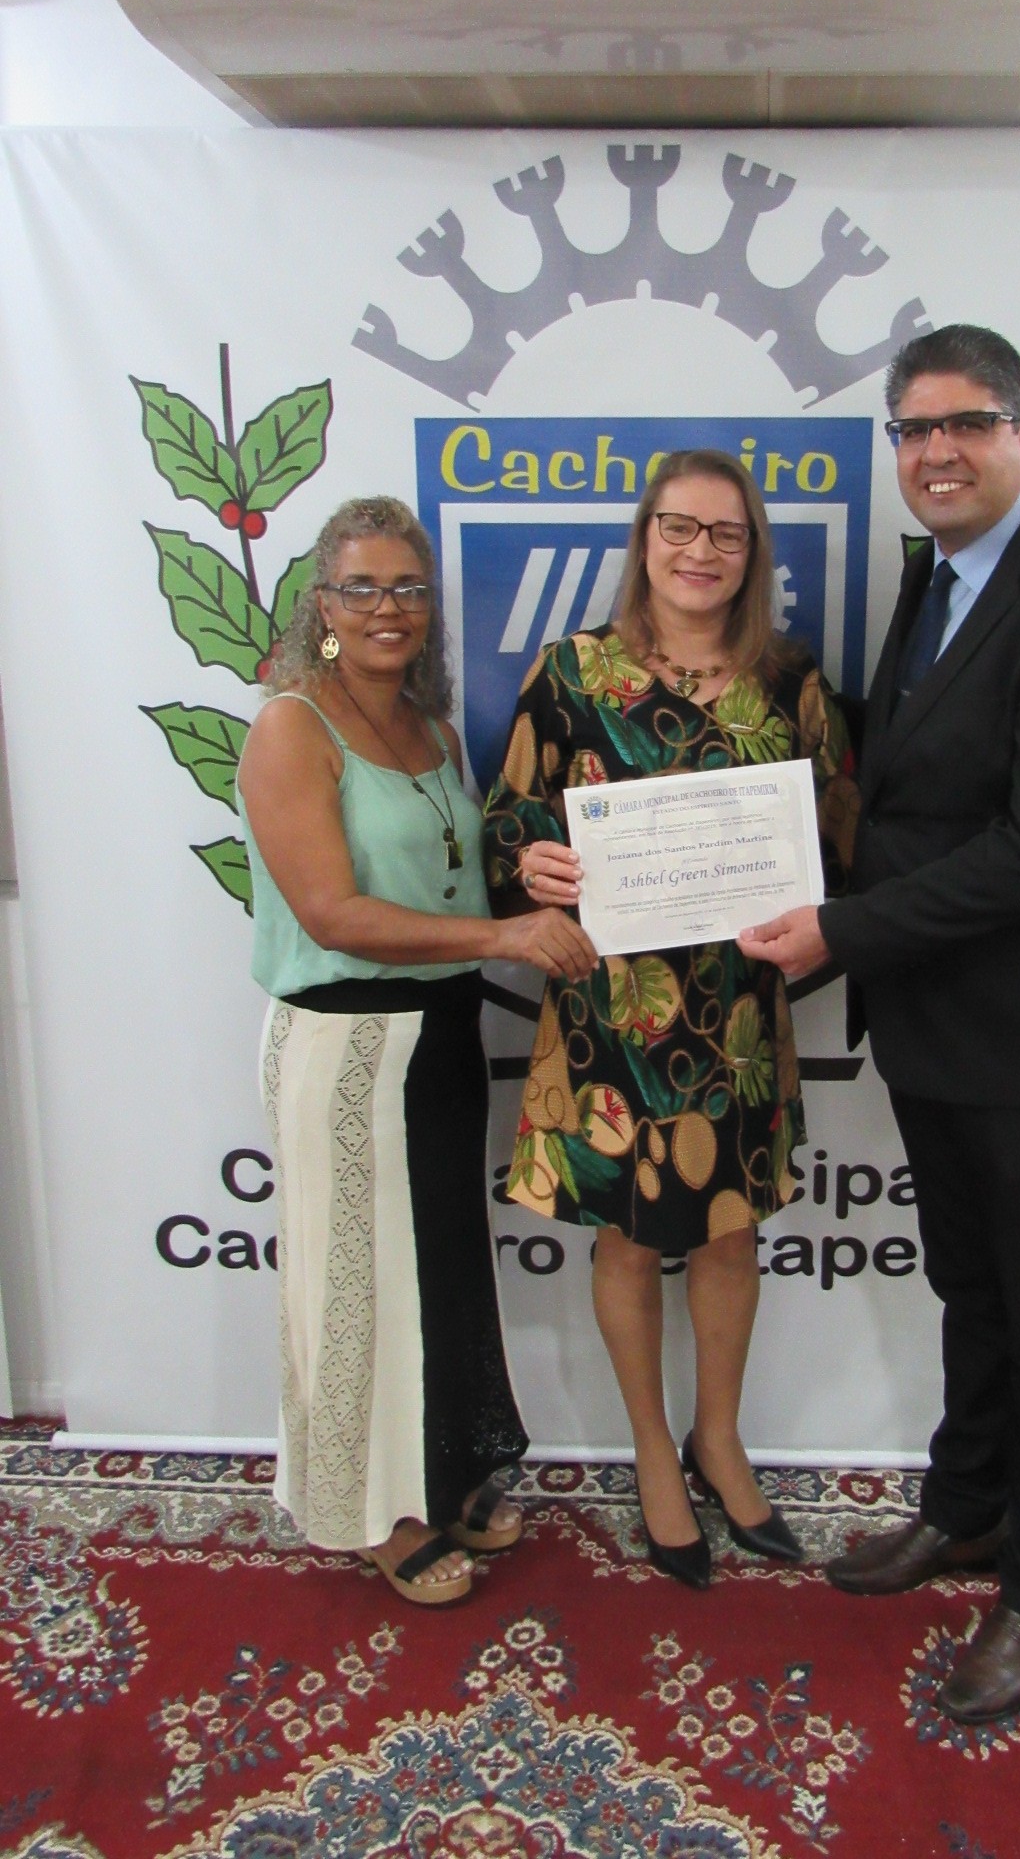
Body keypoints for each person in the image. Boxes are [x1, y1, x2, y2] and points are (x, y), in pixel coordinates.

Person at [740, 326, 1020, 1720]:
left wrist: (843, 930)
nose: (936, 452)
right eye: (913, 430)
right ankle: (968, 1507)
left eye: (965, 424)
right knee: (973, 1292)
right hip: (942, 1023)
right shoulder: (938, 575)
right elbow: (924, 775)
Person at [484, 450, 857, 1587]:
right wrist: (533, 860)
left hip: (737, 1008)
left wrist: (814, 896)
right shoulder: (572, 672)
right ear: (644, 539)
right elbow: (507, 819)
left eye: (726, 533)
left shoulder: (790, 679)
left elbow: (843, 832)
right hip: (611, 1009)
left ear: (753, 553)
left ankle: (719, 1439)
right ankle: (652, 1449)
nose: (701, 551)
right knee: (631, 1237)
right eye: (679, 528)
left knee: (733, 1230)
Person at [237, 496, 597, 1606]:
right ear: (323, 604)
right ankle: (372, 1512)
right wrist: (506, 937)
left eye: (408, 588)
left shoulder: (434, 730)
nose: (387, 607)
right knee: (358, 1286)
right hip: (344, 1046)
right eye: (362, 587)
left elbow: (455, 875)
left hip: (438, 1038)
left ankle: (440, 1477)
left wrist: (540, 876)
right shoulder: (292, 727)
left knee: (436, 1272)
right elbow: (334, 914)